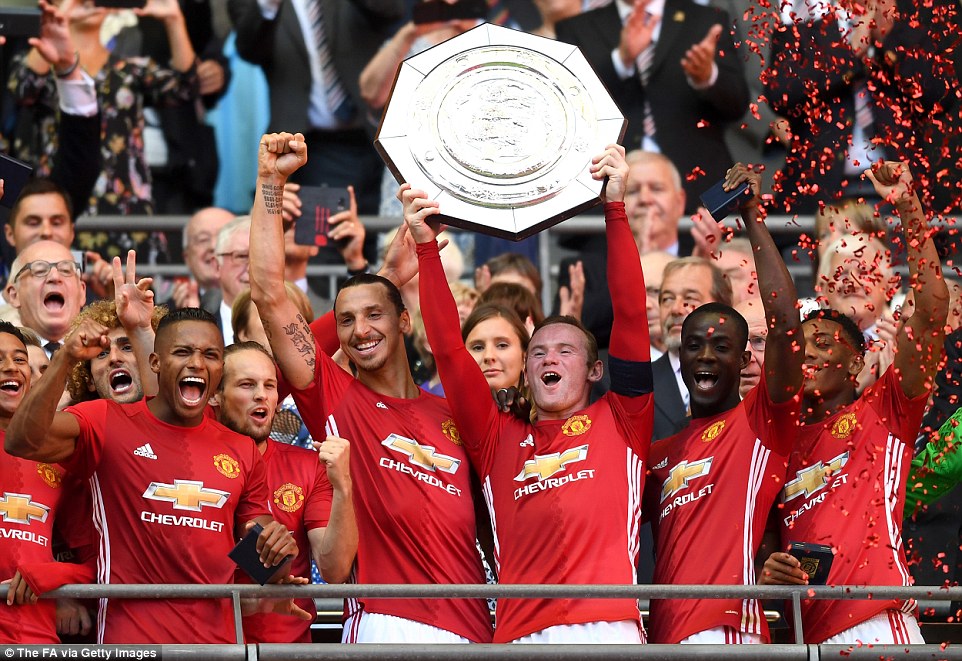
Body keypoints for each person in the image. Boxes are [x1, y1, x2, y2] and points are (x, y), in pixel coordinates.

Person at [403, 143, 654, 644]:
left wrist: (616, 208)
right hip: (519, 637)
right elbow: (451, 352)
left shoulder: (625, 418)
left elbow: (630, 314)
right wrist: (426, 248)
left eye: (565, 351)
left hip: (609, 629)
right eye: (537, 352)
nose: (549, 359)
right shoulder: (495, 436)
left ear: (595, 369)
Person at [249, 132, 492, 644]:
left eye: (375, 315)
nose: (360, 330)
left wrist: (389, 274)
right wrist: (271, 182)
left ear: (405, 322)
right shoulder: (334, 397)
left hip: (475, 631)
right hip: (386, 625)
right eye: (346, 321)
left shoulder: (452, 412)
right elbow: (270, 292)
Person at [3, 307, 298, 643]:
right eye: (183, 352)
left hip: (217, 648)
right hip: (131, 643)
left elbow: (265, 567)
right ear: (155, 363)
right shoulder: (106, 420)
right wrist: (64, 359)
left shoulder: (240, 450)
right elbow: (21, 440)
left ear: (219, 371)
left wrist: (279, 550)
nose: (197, 364)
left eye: (210, 355)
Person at [760, 161, 948, 645]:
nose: (811, 351)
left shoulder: (883, 412)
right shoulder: (776, 447)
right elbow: (763, 556)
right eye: (804, 342)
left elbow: (928, 310)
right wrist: (769, 571)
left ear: (855, 361)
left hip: (880, 628)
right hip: (808, 639)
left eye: (825, 341)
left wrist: (908, 206)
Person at [643, 163, 803, 644]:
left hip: (733, 633)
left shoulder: (759, 422)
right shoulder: (660, 454)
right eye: (694, 345)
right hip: (664, 640)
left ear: (743, 357)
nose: (706, 355)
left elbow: (786, 325)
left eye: (721, 345)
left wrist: (751, 216)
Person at [212, 341, 355, 643]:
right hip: (211, 645)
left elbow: (334, 570)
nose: (261, 394)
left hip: (288, 650)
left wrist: (343, 487)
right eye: (246, 385)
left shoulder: (307, 466)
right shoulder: (191, 461)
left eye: (270, 385)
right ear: (215, 395)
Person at [555, 0, 749, 207]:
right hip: (606, 191)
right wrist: (621, 61)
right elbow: (571, 109)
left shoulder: (707, 19)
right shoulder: (576, 28)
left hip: (698, 192)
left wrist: (707, 77)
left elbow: (737, 105)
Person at [228, 0, 403, 216]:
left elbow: (391, 11)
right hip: (314, 148)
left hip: (380, 137)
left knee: (390, 235)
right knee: (325, 238)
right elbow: (249, 49)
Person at [0, 321, 92, 643]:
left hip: (38, 639)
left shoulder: (61, 457)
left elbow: (101, 564)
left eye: (19, 359)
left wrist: (55, 574)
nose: (10, 368)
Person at [652, 256, 731, 440]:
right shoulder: (636, 386)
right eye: (667, 299)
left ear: (723, 308)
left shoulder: (745, 378)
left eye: (690, 297)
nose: (676, 309)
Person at [7, 240, 87, 355]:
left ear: (82, 292)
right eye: (39, 271)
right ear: (14, 295)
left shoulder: (105, 350)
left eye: (65, 270)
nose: (54, 277)